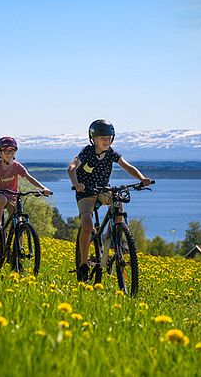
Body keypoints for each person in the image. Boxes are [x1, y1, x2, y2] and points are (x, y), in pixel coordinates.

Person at [67, 119, 152, 281]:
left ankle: (116, 233)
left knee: (118, 197)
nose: (106, 141)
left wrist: (142, 178)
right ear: (93, 139)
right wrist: (76, 184)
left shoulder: (112, 153)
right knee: (86, 225)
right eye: (102, 138)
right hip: (85, 192)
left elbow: (127, 166)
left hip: (103, 189)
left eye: (109, 138)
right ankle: (83, 264)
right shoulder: (87, 152)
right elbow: (71, 168)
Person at [0, 136, 52, 243]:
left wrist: (43, 188)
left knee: (17, 218)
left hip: (11, 195)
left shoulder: (16, 166)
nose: (10, 154)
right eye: (6, 151)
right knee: (2, 200)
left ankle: (19, 248)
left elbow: (29, 178)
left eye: (12, 151)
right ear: (0, 153)